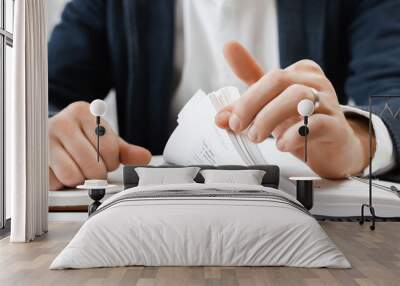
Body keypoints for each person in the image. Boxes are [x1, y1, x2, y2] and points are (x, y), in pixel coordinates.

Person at [48, 0, 400, 190]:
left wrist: (360, 140)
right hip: (155, 224)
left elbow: (393, 97)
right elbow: (47, 94)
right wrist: (50, 137)